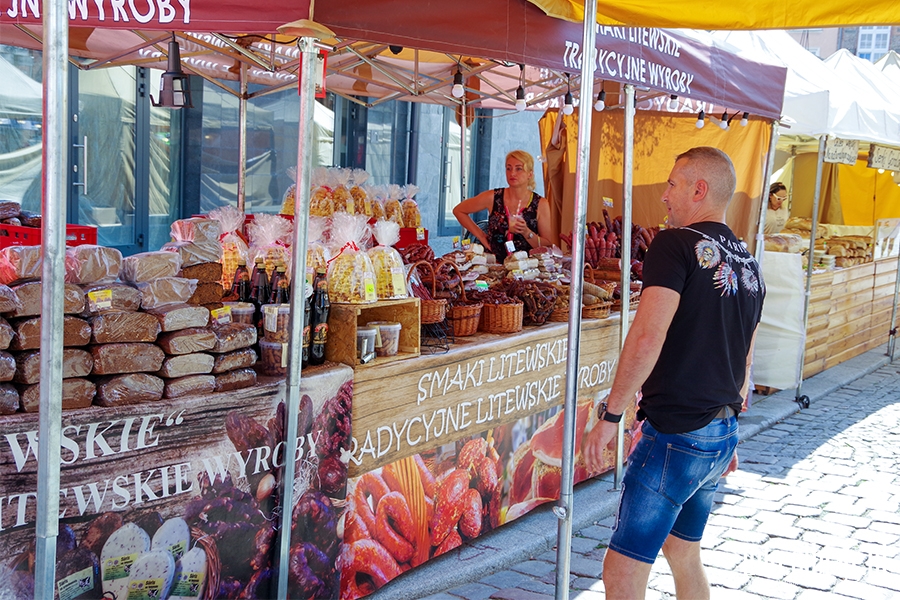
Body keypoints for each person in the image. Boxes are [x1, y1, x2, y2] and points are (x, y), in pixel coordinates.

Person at [581, 147, 764, 600]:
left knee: (622, 571)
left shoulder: (674, 244)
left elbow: (646, 337)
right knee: (682, 552)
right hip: (718, 433)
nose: (664, 195)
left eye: (672, 184)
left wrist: (611, 415)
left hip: (678, 433)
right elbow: (744, 359)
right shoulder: (748, 264)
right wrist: (729, 428)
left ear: (699, 189)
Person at [453, 150, 553, 260]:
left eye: (518, 169)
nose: (512, 173)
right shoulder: (493, 197)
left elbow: (547, 245)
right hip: (493, 267)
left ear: (530, 174)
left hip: (526, 270)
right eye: (508, 168)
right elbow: (459, 210)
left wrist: (527, 232)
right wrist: (481, 236)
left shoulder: (540, 204)